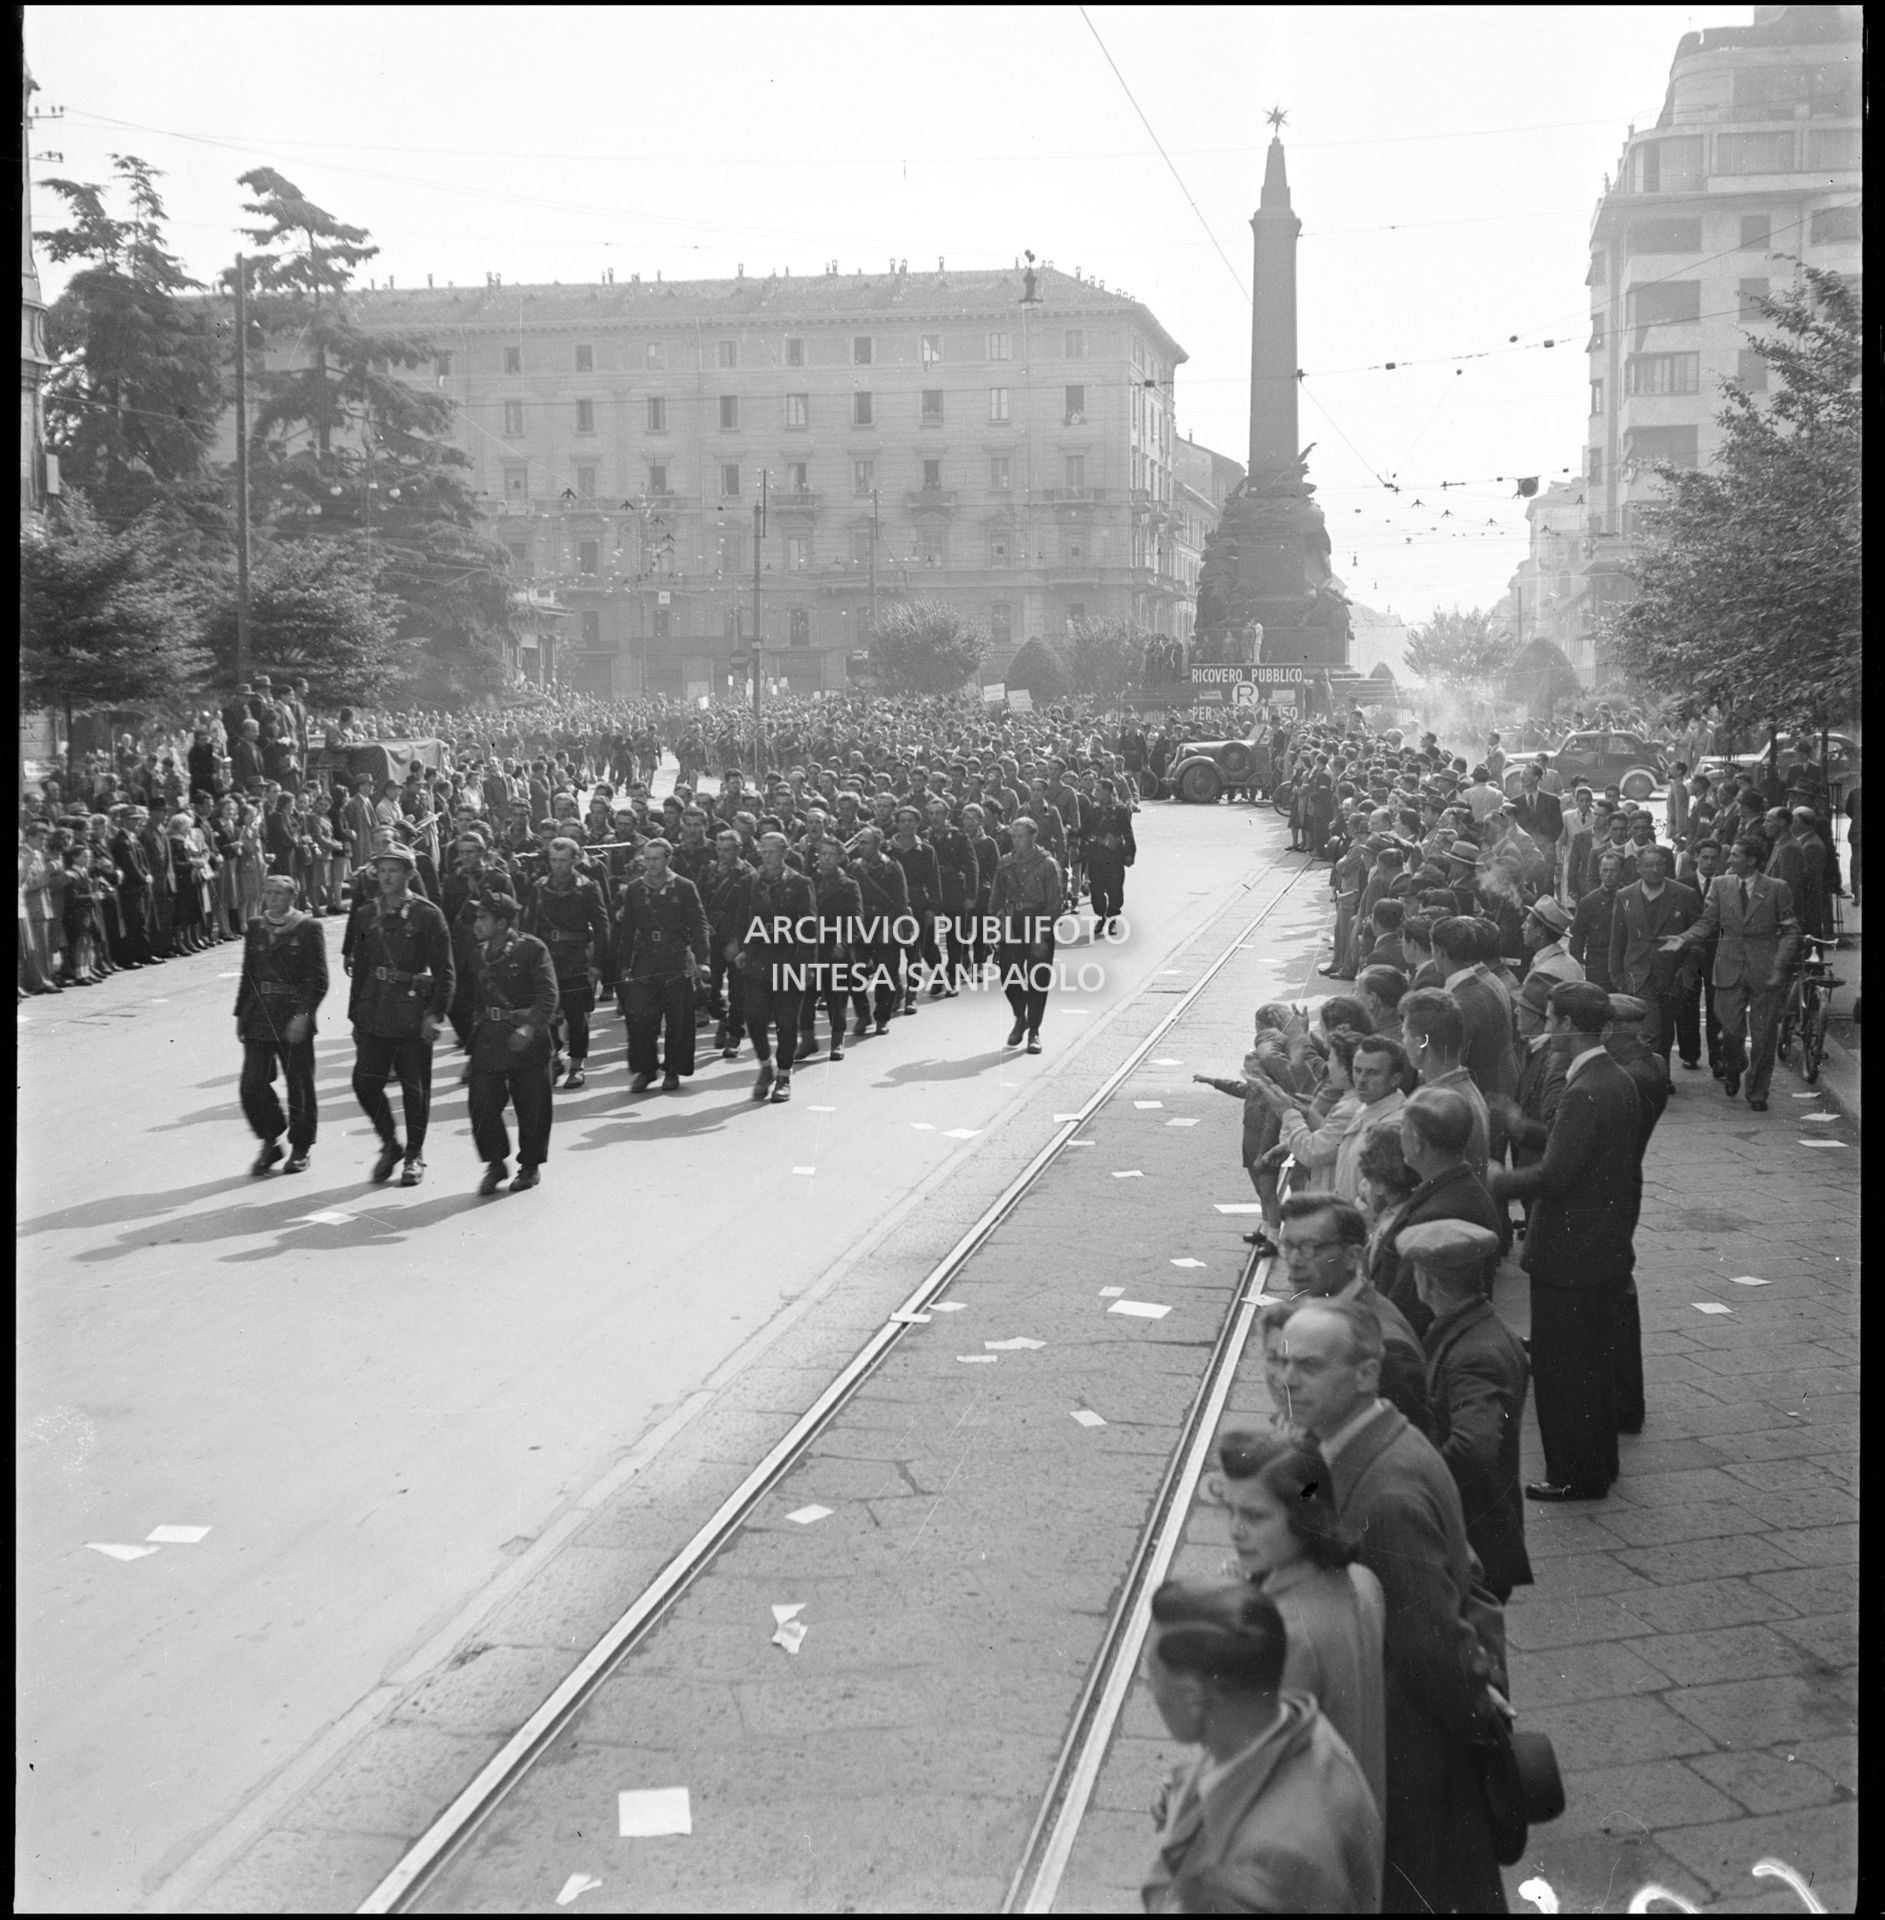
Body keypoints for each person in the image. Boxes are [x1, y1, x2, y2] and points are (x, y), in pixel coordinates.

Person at [1264, 1297, 1507, 1915]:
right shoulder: (1360, 1447)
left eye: (1312, 1367)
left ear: (1367, 1373)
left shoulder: (1386, 1490)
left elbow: (1432, 1649)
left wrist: (1482, 1720)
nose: (1290, 1379)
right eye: (1284, 1363)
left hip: (1408, 1759)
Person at [1140, 1578, 1384, 1915]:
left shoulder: (1272, 1858)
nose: (1148, 1687)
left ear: (1193, 1696)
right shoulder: (1302, 1735)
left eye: (1152, 1673)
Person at [1488, 982, 1640, 1500]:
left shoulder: (1581, 1090)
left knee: (1564, 1369)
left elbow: (1554, 1174)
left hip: (1569, 1255)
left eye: (1552, 1020)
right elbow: (1575, 1149)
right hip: (1601, 1247)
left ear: (1572, 1026)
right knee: (1593, 1364)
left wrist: (1496, 1181)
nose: (1547, 1029)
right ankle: (1600, 1463)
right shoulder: (1613, 1079)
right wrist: (1523, 1127)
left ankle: (1575, 1473)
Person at [1213, 1430, 1388, 1820]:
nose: (1235, 1530)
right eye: (1231, 1511)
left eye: (1255, 1516)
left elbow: (1250, 1772)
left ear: (1303, 1516)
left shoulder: (1283, 1635)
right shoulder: (1362, 1582)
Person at [1400, 1220, 1533, 1605]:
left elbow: (1475, 1446)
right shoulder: (1480, 1327)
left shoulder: (1474, 1354)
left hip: (1473, 1533)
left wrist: (1419, 1484)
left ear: (1426, 1280)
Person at [1272, 1196, 1433, 1440]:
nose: (1294, 1261)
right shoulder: (1326, 1312)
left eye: (1310, 1248)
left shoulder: (1384, 1344)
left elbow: (1398, 1452)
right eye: (1288, 1246)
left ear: (1352, 1257)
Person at [343, 844, 455, 1187]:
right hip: (374, 1011)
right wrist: (355, 1017)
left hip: (411, 1010)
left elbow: (445, 970)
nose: (387, 876)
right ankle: (390, 1144)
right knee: (364, 1082)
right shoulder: (364, 915)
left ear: (409, 874)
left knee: (414, 1087)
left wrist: (435, 1014)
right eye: (382, 870)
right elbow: (360, 965)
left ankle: (414, 1155)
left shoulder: (427, 914)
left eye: (394, 870)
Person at [1666, 833, 1802, 1112]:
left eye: (1735, 856)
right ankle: (1733, 1064)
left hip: (1765, 971)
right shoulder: (1721, 885)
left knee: (1764, 1036)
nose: (1729, 860)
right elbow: (1707, 922)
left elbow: (1791, 930)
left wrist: (1779, 963)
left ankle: (1757, 1091)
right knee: (1730, 1033)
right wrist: (1685, 937)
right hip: (1728, 968)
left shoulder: (1777, 888)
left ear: (1752, 860)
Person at [234, 872, 328, 1174]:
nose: (272, 898)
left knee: (299, 1085)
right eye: (269, 893)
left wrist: (304, 1015)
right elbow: (248, 974)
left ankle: (301, 1147)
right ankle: (270, 1139)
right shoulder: (257, 928)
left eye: (279, 893)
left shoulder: (308, 928)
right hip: (259, 1014)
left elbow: (318, 979)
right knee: (252, 1085)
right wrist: (241, 1014)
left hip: (292, 1015)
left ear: (292, 897)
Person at [465, 891, 558, 1194]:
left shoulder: (531, 950)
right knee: (481, 1102)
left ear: (502, 922)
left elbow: (548, 995)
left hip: (525, 1037)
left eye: (483, 918)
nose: (476, 923)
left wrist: (530, 1028)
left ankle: (530, 1166)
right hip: (490, 1038)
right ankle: (495, 1162)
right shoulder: (478, 953)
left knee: (532, 1104)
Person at [617, 836, 711, 1092]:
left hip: (676, 958)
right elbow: (627, 929)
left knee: (678, 1018)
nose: (651, 863)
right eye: (647, 858)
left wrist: (702, 961)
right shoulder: (635, 888)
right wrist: (623, 964)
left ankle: (673, 1069)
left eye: (657, 858)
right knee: (638, 1017)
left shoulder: (684, 886)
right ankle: (646, 1069)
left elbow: (699, 924)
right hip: (646, 960)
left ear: (668, 858)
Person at [735, 830, 817, 1103]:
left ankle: (783, 1075)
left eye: (772, 852)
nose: (766, 857)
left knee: (786, 1022)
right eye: (763, 852)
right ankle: (765, 1066)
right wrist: (743, 948)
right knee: (755, 1018)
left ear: (784, 852)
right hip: (759, 960)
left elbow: (809, 927)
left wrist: (807, 965)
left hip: (788, 959)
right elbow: (743, 916)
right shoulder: (751, 881)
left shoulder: (800, 883)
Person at [525, 835, 613, 1090]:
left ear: (575, 860)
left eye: (563, 860)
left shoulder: (588, 887)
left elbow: (601, 925)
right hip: (547, 960)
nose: (558, 866)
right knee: (547, 1011)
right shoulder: (539, 887)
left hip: (576, 959)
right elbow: (529, 926)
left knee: (577, 1015)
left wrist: (598, 964)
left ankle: (577, 1064)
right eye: (553, 860)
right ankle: (554, 1055)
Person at [1605, 842, 1701, 1070]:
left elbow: (1698, 938)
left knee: (1666, 1030)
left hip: (1671, 975)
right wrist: (1615, 972)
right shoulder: (1625, 896)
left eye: (1659, 865)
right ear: (1638, 867)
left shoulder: (1684, 895)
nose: (1655, 870)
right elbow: (1618, 938)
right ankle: (1650, 1079)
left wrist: (1687, 972)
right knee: (1650, 1031)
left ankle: (1661, 1073)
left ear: (1666, 866)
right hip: (1639, 974)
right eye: (1648, 865)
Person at [1397, 989, 1491, 1183]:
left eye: (1404, 1035)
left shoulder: (1440, 1104)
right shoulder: (1463, 1089)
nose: (1402, 1042)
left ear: (1420, 1044)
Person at [988, 815, 1063, 1055]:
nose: (1016, 841)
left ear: (1033, 836)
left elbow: (1054, 903)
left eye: (1021, 836)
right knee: (1008, 973)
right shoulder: (1006, 862)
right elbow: (996, 898)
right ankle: (1020, 1016)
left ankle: (1034, 1031)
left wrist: (1042, 934)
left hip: (1038, 921)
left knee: (1037, 979)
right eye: (1013, 836)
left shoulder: (1047, 864)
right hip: (1012, 922)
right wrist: (993, 926)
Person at [1519, 895, 1583, 989]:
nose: (1523, 926)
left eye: (1528, 923)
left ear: (1540, 932)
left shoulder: (1542, 974)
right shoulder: (1572, 963)